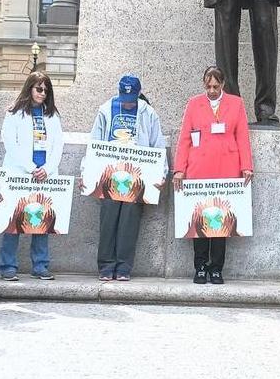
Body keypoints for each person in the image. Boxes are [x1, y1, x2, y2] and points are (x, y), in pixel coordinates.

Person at [172, 66, 254, 284]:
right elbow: (185, 139)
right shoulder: (193, 104)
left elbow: (242, 137)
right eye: (208, 86)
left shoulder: (236, 104)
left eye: (215, 86)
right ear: (203, 84)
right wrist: (179, 169)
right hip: (198, 169)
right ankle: (200, 267)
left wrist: (247, 166)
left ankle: (216, 268)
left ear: (223, 85)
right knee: (199, 220)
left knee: (220, 222)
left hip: (227, 169)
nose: (211, 90)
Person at [89, 74, 166, 282]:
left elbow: (157, 144)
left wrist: (161, 173)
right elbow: (94, 141)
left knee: (129, 222)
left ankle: (123, 267)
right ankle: (106, 266)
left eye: (131, 100)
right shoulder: (106, 110)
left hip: (137, 175)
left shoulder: (149, 113)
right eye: (124, 98)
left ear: (139, 94)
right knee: (108, 219)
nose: (128, 103)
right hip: (110, 174)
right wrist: (86, 171)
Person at [0, 72, 64, 281]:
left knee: (41, 218)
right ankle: (7, 265)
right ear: (29, 89)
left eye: (46, 90)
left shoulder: (52, 115)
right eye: (39, 89)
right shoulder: (14, 113)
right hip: (20, 173)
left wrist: (48, 168)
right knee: (14, 220)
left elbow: (58, 145)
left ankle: (40, 265)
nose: (43, 94)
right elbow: (10, 143)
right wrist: (30, 167)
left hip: (45, 175)